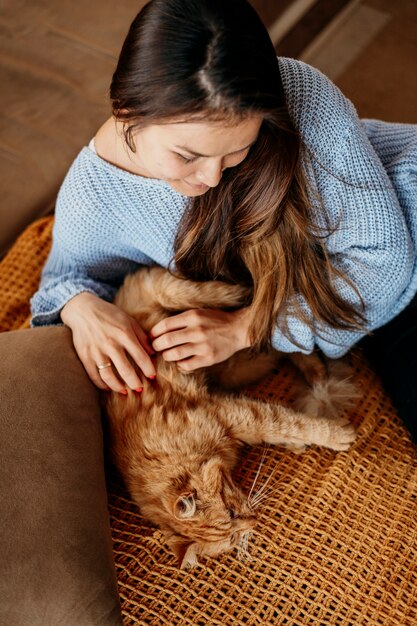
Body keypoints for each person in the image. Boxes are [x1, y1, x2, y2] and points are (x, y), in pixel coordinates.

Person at [30, 0, 417, 441]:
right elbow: (64, 278)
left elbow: (384, 258)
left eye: (238, 149)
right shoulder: (93, 195)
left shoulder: (300, 94)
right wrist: (80, 307)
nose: (213, 177)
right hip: (367, 304)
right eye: (188, 155)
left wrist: (244, 327)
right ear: (126, 109)